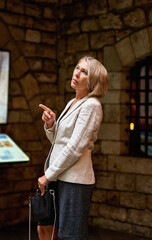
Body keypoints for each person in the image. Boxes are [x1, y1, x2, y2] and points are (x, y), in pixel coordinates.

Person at [37, 56, 109, 240]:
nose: (76, 73)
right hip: (59, 177)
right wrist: (52, 124)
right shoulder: (72, 102)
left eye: (84, 71)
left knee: (69, 236)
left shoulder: (91, 105)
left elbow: (74, 148)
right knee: (45, 229)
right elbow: (58, 142)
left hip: (74, 182)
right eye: (77, 67)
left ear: (93, 81)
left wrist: (48, 175)